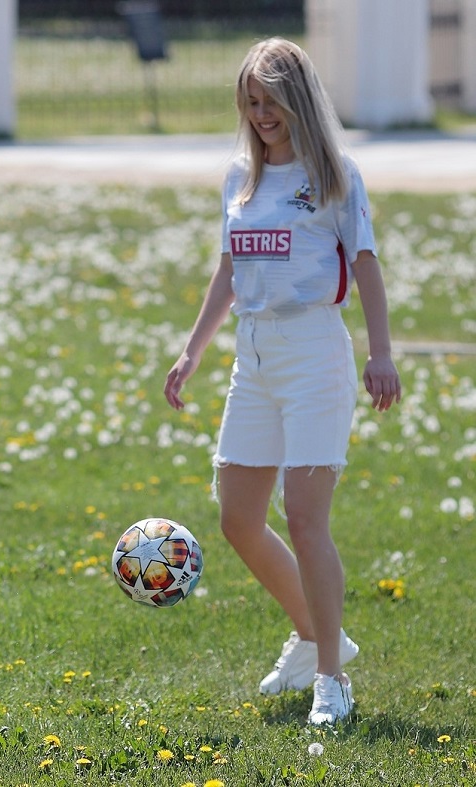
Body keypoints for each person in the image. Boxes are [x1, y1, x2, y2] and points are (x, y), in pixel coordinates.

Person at [163, 38, 401, 726]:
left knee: (304, 517)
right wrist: (192, 352)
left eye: (270, 99)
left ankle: (332, 678)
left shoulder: (333, 174)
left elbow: (366, 262)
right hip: (254, 355)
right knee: (236, 512)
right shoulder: (240, 176)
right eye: (251, 101)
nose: (260, 113)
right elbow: (230, 269)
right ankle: (311, 634)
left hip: (315, 353)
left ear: (298, 98)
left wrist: (380, 351)